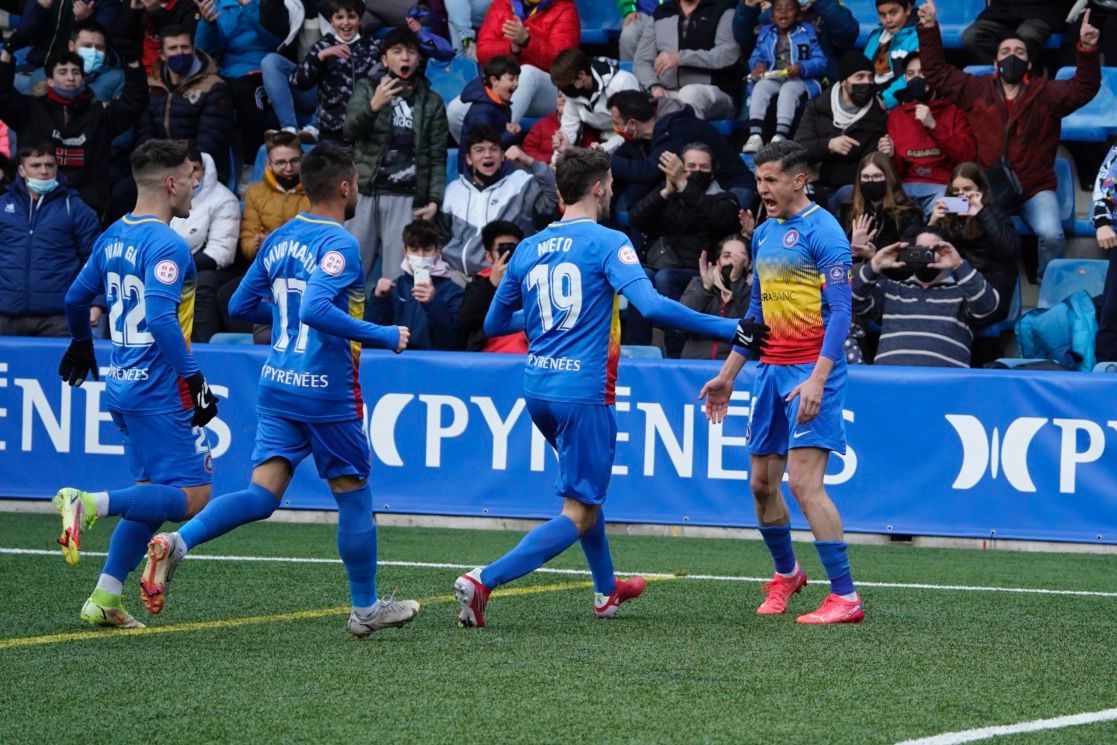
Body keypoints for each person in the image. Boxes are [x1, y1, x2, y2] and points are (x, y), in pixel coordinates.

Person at [452, 146, 757, 628]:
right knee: (578, 509)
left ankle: (606, 590)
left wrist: (541, 317)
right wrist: (729, 328)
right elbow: (651, 307)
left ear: (560, 191)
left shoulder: (528, 247)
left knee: (587, 496)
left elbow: (493, 322)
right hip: (584, 392)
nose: (612, 189)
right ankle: (483, 579)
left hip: (538, 390)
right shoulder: (608, 241)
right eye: (610, 182)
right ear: (599, 187)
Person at [140, 143, 421, 639]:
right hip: (325, 389)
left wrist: (288, 315)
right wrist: (383, 336)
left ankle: (177, 543)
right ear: (345, 186)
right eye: (355, 181)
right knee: (354, 497)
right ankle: (365, 608)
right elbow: (314, 308)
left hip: (278, 383)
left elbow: (242, 301)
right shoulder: (341, 244)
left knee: (261, 493)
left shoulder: (282, 236)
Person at [52, 139, 219, 629]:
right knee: (193, 495)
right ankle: (88, 503)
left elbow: (74, 297)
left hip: (123, 384)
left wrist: (82, 344)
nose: (195, 185)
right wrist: (195, 380)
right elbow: (165, 321)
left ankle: (105, 598)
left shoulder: (113, 235)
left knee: (150, 492)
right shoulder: (168, 244)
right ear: (170, 183)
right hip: (160, 389)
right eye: (191, 177)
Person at [699, 139, 863, 625]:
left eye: (770, 179)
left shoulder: (825, 232)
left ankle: (846, 596)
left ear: (799, 180)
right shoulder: (765, 233)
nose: (761, 188)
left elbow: (840, 312)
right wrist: (729, 375)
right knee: (760, 484)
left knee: (804, 484)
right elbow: (756, 311)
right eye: (758, 178)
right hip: (768, 373)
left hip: (811, 373)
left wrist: (818, 377)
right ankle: (787, 574)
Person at [917, 0, 1101, 278]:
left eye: (1019, 51)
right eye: (1005, 51)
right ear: (995, 61)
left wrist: (1086, 50)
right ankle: (960, 275)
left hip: (1034, 189)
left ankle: (1045, 279)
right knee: (939, 207)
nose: (1011, 56)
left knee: (1052, 233)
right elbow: (937, 74)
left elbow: (1084, 88)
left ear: (1028, 62)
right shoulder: (975, 88)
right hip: (987, 189)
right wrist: (929, 28)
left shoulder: (1046, 93)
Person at [345, 28, 448, 292]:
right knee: (349, 274)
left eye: (411, 52)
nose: (405, 58)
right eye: (397, 52)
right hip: (365, 193)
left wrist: (435, 199)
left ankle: (393, 333)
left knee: (396, 280)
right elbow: (349, 130)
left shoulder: (432, 102)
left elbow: (437, 154)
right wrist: (373, 107)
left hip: (406, 197)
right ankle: (343, 331)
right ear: (384, 59)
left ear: (418, 60)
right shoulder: (368, 88)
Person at [0, 47, 149, 220]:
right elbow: (3, 96)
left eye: (76, 72)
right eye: (63, 72)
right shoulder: (29, 110)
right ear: (50, 80)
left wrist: (132, 62)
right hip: (36, 208)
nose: (70, 77)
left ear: (83, 79)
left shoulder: (100, 115)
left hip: (88, 209)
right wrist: (7, 54)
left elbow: (135, 102)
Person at [628, 142, 741, 357]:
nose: (697, 171)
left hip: (698, 271)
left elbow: (719, 220)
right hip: (660, 263)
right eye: (690, 166)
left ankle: (675, 354)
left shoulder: (724, 199)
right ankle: (638, 351)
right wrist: (666, 192)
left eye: (703, 167)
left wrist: (684, 185)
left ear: (714, 169)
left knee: (666, 278)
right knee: (638, 277)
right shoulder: (670, 193)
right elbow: (636, 219)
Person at [851, 226, 1000, 367]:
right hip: (891, 384)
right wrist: (875, 264)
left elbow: (988, 306)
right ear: (910, 253)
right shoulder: (891, 289)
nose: (925, 255)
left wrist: (958, 265)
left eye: (933, 250)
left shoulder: (962, 293)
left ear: (945, 252)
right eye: (919, 249)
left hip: (944, 387)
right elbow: (850, 301)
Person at [0, 143, 102, 337]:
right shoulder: (3, 205)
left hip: (58, 319)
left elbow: (95, 260)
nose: (44, 171)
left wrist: (97, 303)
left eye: (49, 165)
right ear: (21, 170)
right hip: (4, 315)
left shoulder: (75, 208)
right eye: (36, 165)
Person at [607, 90, 755, 209]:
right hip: (700, 190)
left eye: (616, 123)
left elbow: (649, 172)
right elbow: (622, 156)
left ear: (632, 124)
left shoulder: (675, 129)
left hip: (731, 186)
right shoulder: (643, 137)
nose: (616, 128)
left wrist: (607, 159)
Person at [441, 126, 559, 276]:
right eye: (479, 150)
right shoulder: (453, 190)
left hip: (505, 276)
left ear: (503, 155)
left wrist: (529, 161)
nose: (487, 155)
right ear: (469, 159)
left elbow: (556, 192)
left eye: (494, 149)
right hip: (458, 275)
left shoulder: (520, 183)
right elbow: (441, 237)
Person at [878, 52, 976, 218]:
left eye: (923, 72)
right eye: (910, 74)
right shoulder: (897, 115)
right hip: (906, 188)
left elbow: (967, 158)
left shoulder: (955, 110)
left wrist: (934, 126)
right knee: (882, 208)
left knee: (963, 206)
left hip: (946, 187)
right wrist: (891, 155)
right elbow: (897, 173)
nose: (917, 78)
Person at [793, 52, 887, 211]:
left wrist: (821, 171)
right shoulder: (818, 107)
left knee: (847, 194)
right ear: (844, 81)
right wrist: (828, 145)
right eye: (860, 77)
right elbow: (798, 150)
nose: (867, 82)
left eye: (870, 77)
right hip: (814, 187)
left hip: (849, 189)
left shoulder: (878, 116)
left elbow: (865, 168)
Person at [194, 0, 286, 162]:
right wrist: (208, 24)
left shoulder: (269, 4)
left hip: (264, 68)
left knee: (245, 92)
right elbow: (205, 51)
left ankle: (252, 163)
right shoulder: (221, 5)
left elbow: (276, 42)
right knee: (212, 94)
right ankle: (209, 165)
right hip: (229, 71)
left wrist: (249, 7)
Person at [928, 162, 1019, 325]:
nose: (961, 195)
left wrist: (981, 213)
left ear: (981, 190)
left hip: (992, 291)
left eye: (967, 189)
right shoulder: (951, 217)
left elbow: (1010, 250)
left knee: (952, 315)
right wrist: (933, 222)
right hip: (960, 284)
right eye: (956, 191)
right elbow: (929, 251)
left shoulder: (994, 212)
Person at [135, 25, 236, 170]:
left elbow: (211, 137)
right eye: (173, 48)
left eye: (184, 47)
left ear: (193, 50)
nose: (180, 52)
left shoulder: (214, 86)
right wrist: (153, 163)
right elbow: (144, 132)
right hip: (159, 165)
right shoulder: (151, 86)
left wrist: (186, 166)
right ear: (162, 55)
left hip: (198, 167)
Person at [170, 146, 241, 342]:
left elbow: (221, 253)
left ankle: (203, 347)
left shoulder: (224, 199)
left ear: (204, 168)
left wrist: (179, 266)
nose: (192, 175)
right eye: (185, 169)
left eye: (196, 168)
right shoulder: (166, 196)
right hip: (174, 264)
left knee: (201, 282)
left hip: (211, 267)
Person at [291, 0, 383, 144]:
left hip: (368, 130)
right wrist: (321, 56)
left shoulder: (374, 47)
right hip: (332, 132)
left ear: (360, 20)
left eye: (351, 17)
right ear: (331, 21)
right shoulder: (323, 46)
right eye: (339, 17)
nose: (345, 23)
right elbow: (298, 82)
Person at [742, 0, 827, 153]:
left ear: (799, 15)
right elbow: (756, 55)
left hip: (801, 79)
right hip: (774, 76)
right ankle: (755, 135)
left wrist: (802, 67)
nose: (783, 13)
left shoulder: (808, 32)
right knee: (760, 87)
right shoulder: (766, 32)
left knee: (788, 90)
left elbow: (820, 62)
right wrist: (758, 65)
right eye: (778, 9)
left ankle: (780, 135)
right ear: (772, 16)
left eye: (789, 9)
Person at [633, 0, 741, 120]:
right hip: (667, 92)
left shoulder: (724, 7)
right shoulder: (662, 12)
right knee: (631, 101)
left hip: (715, 94)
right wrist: (654, 86)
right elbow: (642, 60)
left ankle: (690, 138)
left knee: (689, 94)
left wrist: (681, 58)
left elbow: (727, 55)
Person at [368, 219, 464, 350]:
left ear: (438, 251)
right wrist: (378, 299)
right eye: (414, 249)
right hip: (397, 362)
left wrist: (433, 303)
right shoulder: (394, 288)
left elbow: (454, 341)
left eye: (427, 249)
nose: (421, 256)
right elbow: (371, 338)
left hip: (434, 364)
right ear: (405, 252)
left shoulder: (454, 292)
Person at [475, 0, 578, 121]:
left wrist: (527, 41)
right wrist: (512, 49)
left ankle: (500, 134)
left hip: (548, 90)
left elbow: (562, 63)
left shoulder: (564, 7)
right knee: (456, 111)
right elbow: (482, 52)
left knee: (526, 73)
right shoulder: (502, 4)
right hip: (504, 87)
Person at [733, 0, 858, 84]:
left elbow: (847, 34)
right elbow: (746, 40)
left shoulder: (826, 11)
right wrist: (747, 6)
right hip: (771, 84)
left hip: (819, 86)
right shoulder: (769, 14)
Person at [549, 48, 641, 154]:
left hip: (634, 143)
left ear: (581, 75)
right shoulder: (573, 94)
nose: (563, 91)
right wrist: (556, 162)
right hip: (602, 142)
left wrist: (601, 150)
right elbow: (567, 131)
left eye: (565, 86)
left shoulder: (621, 82)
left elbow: (634, 129)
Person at [455, 219, 528, 351]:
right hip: (489, 357)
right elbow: (465, 321)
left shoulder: (532, 279)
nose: (509, 254)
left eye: (513, 249)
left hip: (527, 354)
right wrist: (491, 284)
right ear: (488, 255)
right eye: (503, 249)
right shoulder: (480, 282)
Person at [679, 233, 752, 360]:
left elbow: (753, 324)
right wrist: (705, 288)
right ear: (718, 262)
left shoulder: (755, 290)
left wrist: (736, 282)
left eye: (739, 257)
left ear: (750, 264)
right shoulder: (700, 283)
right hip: (694, 365)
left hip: (735, 370)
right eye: (727, 256)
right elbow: (680, 323)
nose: (732, 261)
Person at [842, 152, 923, 263]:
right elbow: (837, 261)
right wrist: (854, 247)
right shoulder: (849, 209)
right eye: (865, 177)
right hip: (857, 275)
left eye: (876, 176)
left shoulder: (908, 213)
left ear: (888, 178)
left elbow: (910, 260)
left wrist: (874, 255)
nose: (870, 181)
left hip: (892, 276)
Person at [455, 55, 521, 175]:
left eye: (517, 79)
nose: (516, 84)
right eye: (511, 79)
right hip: (475, 174)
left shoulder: (500, 103)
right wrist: (510, 135)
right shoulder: (482, 112)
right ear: (494, 81)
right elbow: (485, 148)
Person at [963, 0, 1074, 65]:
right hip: (1004, 8)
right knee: (973, 35)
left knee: (1026, 36)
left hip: (1044, 9)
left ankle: (1023, 76)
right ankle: (1004, 73)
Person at [863, 0, 919, 110]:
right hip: (872, 97)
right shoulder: (876, 36)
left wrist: (883, 101)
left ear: (908, 9)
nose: (888, 20)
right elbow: (862, 68)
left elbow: (911, 78)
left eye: (893, 13)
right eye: (882, 15)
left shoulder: (918, 36)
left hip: (900, 103)